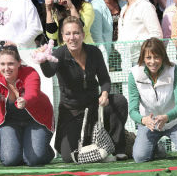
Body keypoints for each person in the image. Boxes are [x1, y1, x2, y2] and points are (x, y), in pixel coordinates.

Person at [39, 16, 128, 162]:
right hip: (72, 112)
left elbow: (105, 79)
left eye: (76, 33)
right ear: (62, 36)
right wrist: (43, 60)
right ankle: (97, 147)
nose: (72, 37)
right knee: (68, 156)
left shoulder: (94, 52)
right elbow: (48, 72)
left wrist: (104, 93)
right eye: (68, 34)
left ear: (83, 35)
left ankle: (117, 148)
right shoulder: (59, 54)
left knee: (119, 100)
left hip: (94, 106)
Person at [0, 45, 55, 166]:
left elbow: (33, 94)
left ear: (19, 63)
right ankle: (25, 148)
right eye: (2, 64)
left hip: (37, 120)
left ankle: (45, 151)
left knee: (33, 160)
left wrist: (25, 101)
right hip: (9, 122)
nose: (6, 68)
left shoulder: (30, 73)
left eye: (11, 63)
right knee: (9, 160)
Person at [128, 37, 177, 163]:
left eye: (157, 57)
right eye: (148, 58)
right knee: (140, 157)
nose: (152, 62)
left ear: (163, 56)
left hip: (175, 122)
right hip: (150, 124)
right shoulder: (134, 74)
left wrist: (167, 117)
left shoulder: (173, 70)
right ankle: (156, 148)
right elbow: (132, 110)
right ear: (143, 59)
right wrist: (144, 120)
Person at [117, 0, 163, 64]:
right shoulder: (124, 9)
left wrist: (135, 42)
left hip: (143, 62)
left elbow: (157, 35)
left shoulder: (145, 6)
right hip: (126, 63)